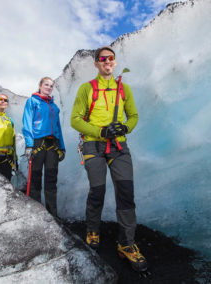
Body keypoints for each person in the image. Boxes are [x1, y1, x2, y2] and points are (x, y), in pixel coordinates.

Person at [70, 46, 147, 272]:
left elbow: (133, 116)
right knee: (98, 189)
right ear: (96, 64)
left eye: (111, 59)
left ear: (114, 63)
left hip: (119, 146)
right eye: (102, 59)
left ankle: (126, 244)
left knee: (126, 193)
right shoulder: (87, 89)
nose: (107, 62)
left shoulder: (124, 89)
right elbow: (75, 119)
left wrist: (125, 127)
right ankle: (93, 229)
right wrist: (101, 131)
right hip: (94, 144)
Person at [22, 77, 65, 217]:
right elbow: (27, 122)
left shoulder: (54, 106)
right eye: (46, 84)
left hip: (53, 145)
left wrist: (62, 147)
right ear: (40, 85)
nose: (49, 87)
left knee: (51, 179)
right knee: (35, 178)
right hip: (38, 143)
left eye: (51, 85)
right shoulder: (32, 101)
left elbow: (58, 127)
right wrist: (29, 144)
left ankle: (52, 214)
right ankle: (36, 214)